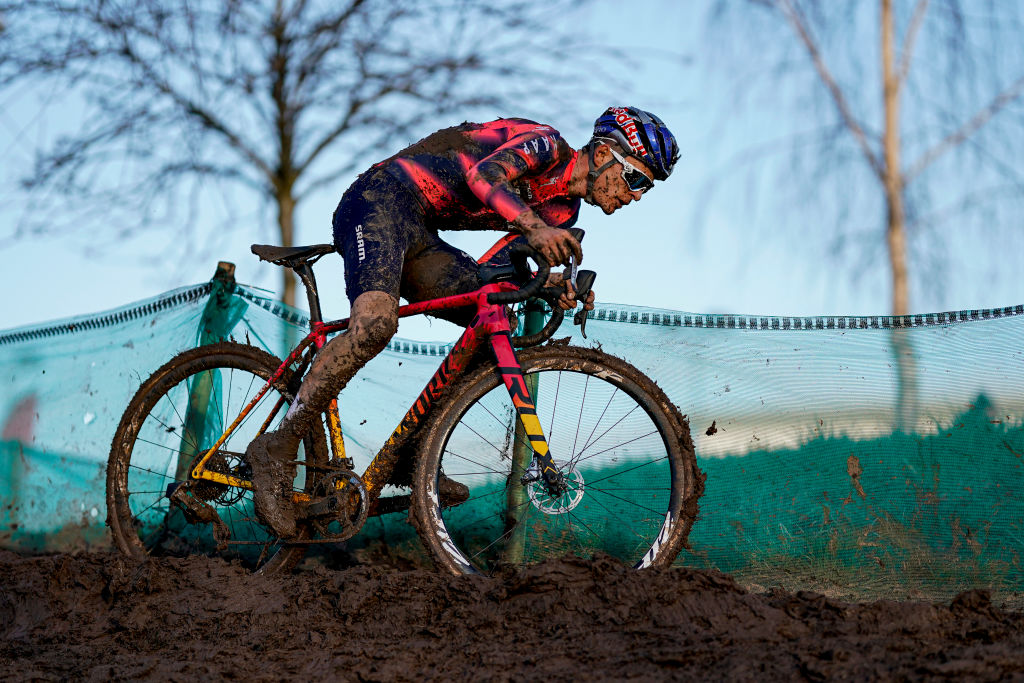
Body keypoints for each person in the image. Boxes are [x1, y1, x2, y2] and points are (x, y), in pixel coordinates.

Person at [248, 106, 680, 537]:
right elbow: (483, 177)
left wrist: (551, 286)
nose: (637, 195)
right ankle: (277, 448)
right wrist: (533, 228)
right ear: (604, 152)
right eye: (637, 179)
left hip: (418, 229)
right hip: (379, 200)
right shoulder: (547, 146)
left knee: (489, 320)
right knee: (376, 324)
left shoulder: (564, 212)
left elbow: (492, 275)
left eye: (647, 188)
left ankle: (413, 456)